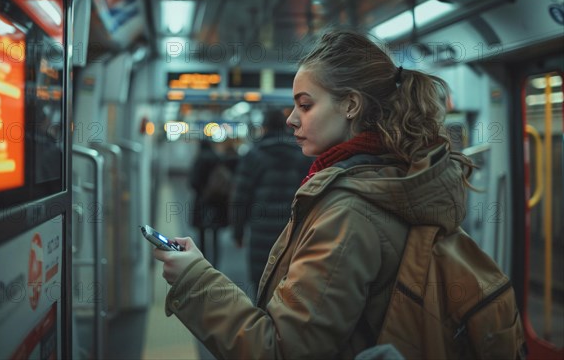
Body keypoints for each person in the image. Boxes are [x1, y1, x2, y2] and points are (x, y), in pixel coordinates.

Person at [154, 30, 474, 359]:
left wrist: (193, 280)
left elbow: (280, 350)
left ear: (351, 105)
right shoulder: (397, 179)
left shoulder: (348, 212)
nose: (292, 119)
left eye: (305, 105)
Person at [229, 108, 312, 295]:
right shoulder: (301, 155)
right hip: (293, 233)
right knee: (290, 289)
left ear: (264, 128)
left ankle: (260, 322)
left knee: (261, 286)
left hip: (261, 233)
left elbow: (240, 198)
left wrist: (238, 232)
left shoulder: (253, 155)